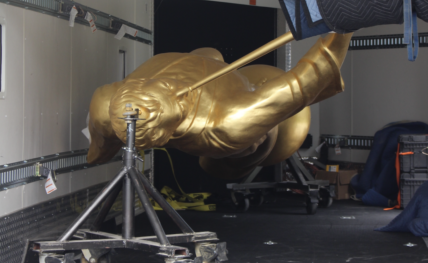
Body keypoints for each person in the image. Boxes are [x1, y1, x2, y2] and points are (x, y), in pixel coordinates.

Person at [87, 33, 352, 179]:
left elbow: (99, 148)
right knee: (253, 142)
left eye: (158, 83)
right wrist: (343, 27)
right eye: (170, 90)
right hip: (241, 131)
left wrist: (101, 151)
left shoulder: (111, 99)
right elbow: (305, 80)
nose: (174, 85)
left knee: (209, 52)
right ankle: (258, 140)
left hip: (217, 70)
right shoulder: (225, 125)